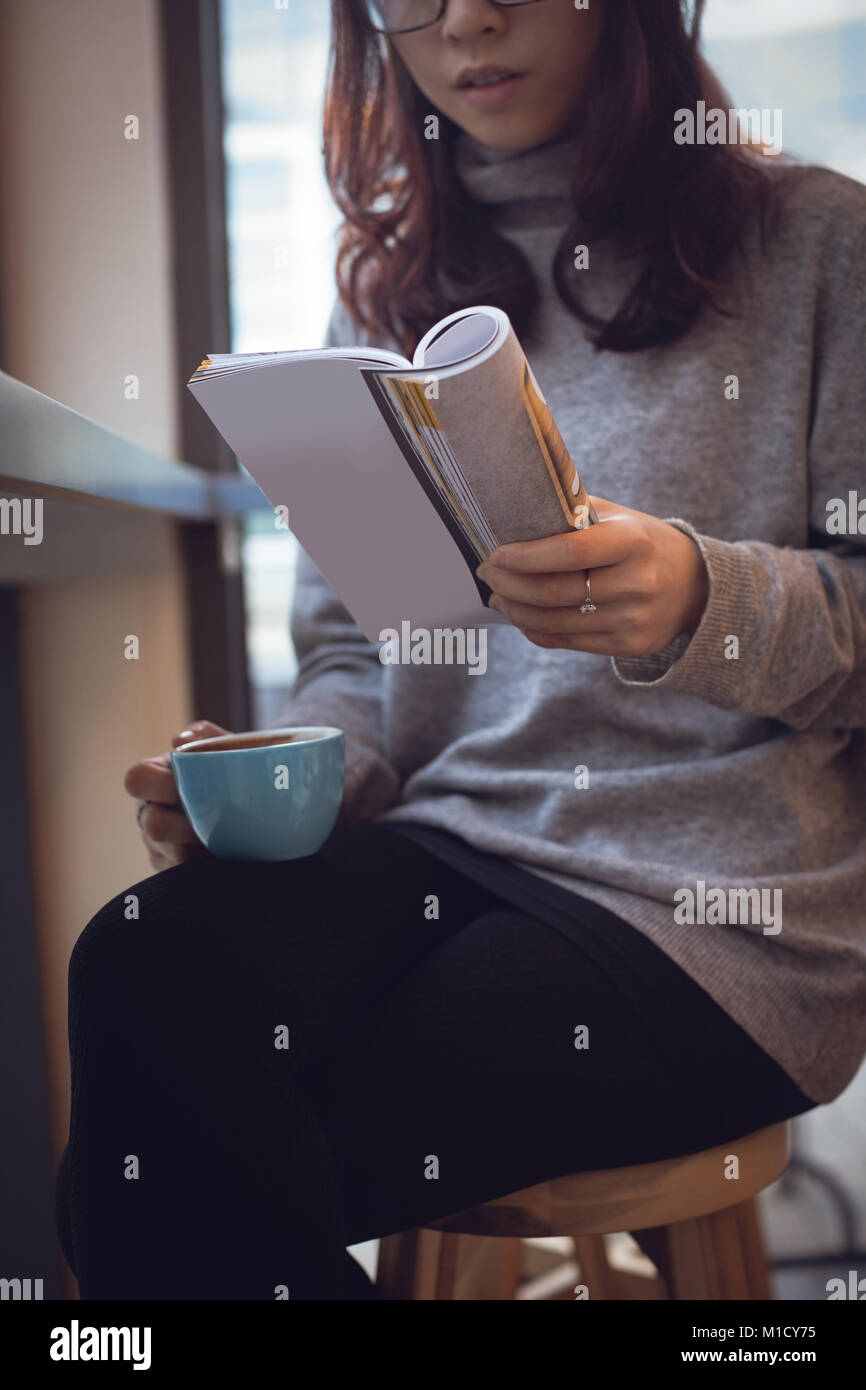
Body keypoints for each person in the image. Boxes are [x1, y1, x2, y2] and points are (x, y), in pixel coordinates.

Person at [56, 0, 866, 1300]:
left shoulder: (821, 242)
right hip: (449, 842)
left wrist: (700, 599)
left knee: (156, 1161)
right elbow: (353, 644)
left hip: (713, 907)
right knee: (147, 959)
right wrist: (303, 774)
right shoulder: (376, 289)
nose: (464, 20)